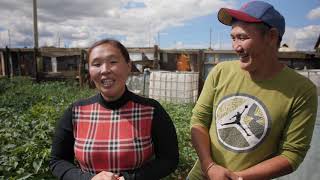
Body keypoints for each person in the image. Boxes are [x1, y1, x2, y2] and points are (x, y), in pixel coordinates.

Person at [188, 1, 318, 180]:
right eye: (233, 38)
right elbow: (199, 120)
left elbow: (292, 154)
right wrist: (208, 165)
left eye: (242, 37)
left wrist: (236, 178)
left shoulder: (301, 91)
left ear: (271, 37)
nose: (236, 47)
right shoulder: (221, 72)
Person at [50, 39, 179, 180]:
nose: (105, 70)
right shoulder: (76, 111)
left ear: (128, 66)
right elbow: (58, 160)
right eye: (97, 64)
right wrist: (89, 179)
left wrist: (130, 178)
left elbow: (169, 159)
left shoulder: (151, 110)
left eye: (113, 62)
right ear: (90, 70)